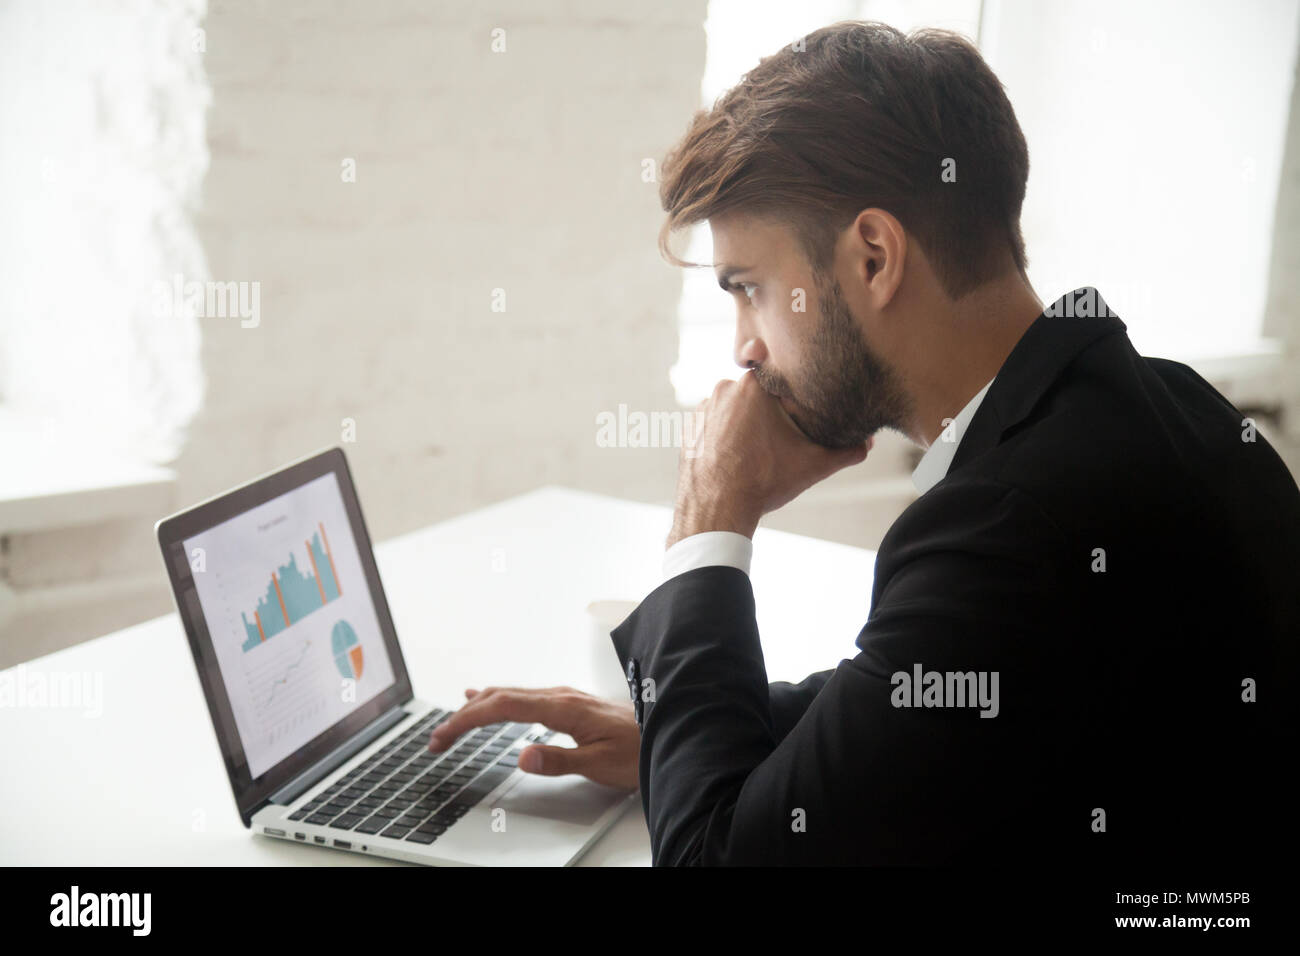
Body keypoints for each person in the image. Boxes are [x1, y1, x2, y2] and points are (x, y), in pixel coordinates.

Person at [429, 20, 1299, 865]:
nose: (743, 348)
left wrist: (709, 518)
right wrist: (682, 737)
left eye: (750, 288)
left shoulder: (1006, 533)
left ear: (874, 258)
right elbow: (940, 705)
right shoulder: (1167, 405)